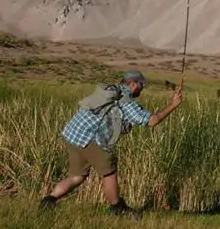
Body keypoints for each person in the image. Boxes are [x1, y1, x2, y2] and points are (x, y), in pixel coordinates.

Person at [40, 69, 183, 216]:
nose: (142, 88)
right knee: (109, 173)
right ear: (133, 84)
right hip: (91, 139)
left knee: (77, 177)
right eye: (141, 85)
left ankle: (48, 201)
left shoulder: (110, 91)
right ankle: (117, 208)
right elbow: (152, 121)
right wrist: (174, 104)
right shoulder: (126, 102)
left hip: (72, 133)